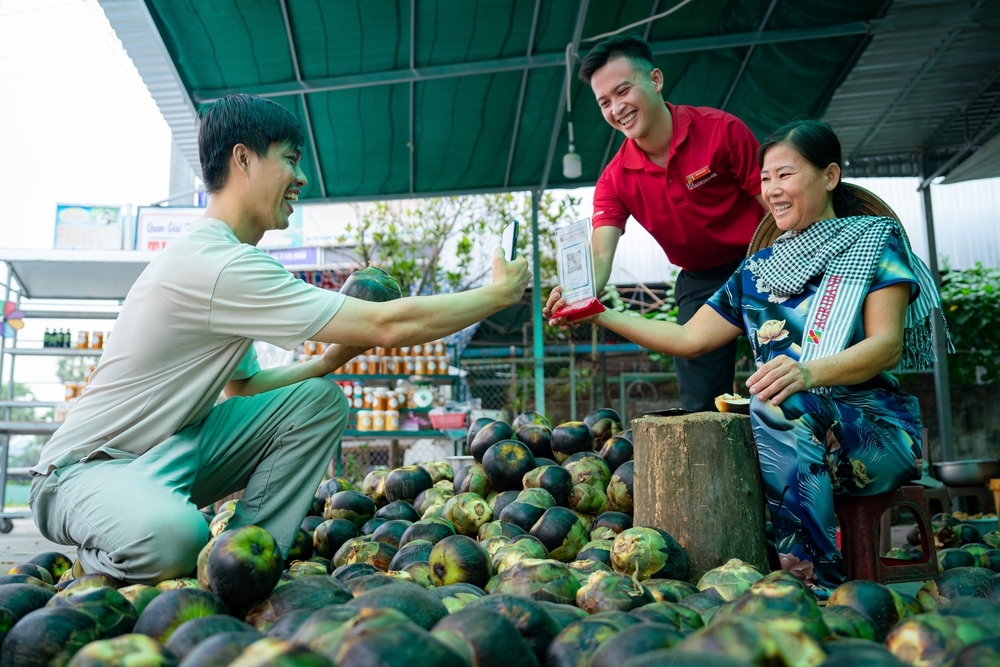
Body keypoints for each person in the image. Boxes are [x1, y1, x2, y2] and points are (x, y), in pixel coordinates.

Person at [29, 93, 529, 585]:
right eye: (291, 159)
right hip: (81, 473)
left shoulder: (224, 262)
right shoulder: (217, 265)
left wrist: (326, 364)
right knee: (174, 538)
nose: (302, 177)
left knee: (318, 401)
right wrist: (497, 294)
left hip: (164, 458)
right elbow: (389, 324)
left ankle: (243, 560)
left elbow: (242, 387)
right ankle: (109, 559)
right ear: (243, 159)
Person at [563, 119, 948, 591]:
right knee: (745, 420)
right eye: (765, 179)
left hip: (873, 434)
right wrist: (599, 313)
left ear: (829, 176)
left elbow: (886, 347)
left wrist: (807, 373)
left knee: (779, 404)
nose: (772, 190)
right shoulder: (756, 271)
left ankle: (815, 583)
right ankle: (780, 575)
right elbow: (688, 339)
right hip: (785, 442)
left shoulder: (874, 242)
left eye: (785, 174)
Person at [544, 33, 767, 411]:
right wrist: (576, 295)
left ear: (656, 80)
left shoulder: (722, 130)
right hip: (701, 280)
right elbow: (600, 254)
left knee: (791, 373)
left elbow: (775, 208)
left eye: (623, 91)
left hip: (762, 261)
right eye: (604, 102)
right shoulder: (614, 179)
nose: (617, 108)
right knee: (701, 405)